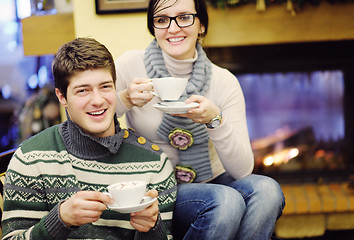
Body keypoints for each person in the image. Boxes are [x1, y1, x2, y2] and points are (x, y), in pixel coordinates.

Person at [115, 0, 285, 239]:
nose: (173, 28)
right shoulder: (131, 65)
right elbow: (93, 116)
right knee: (226, 201)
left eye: (184, 17)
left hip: (213, 179)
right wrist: (125, 98)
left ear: (202, 25)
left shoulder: (223, 81)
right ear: (153, 28)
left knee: (267, 190)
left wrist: (215, 120)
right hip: (158, 186)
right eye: (162, 20)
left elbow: (243, 170)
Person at [1, 37, 177, 240]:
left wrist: (151, 229)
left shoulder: (154, 163)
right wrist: (60, 220)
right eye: (83, 90)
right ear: (62, 97)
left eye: (105, 87)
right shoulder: (31, 158)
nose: (98, 100)